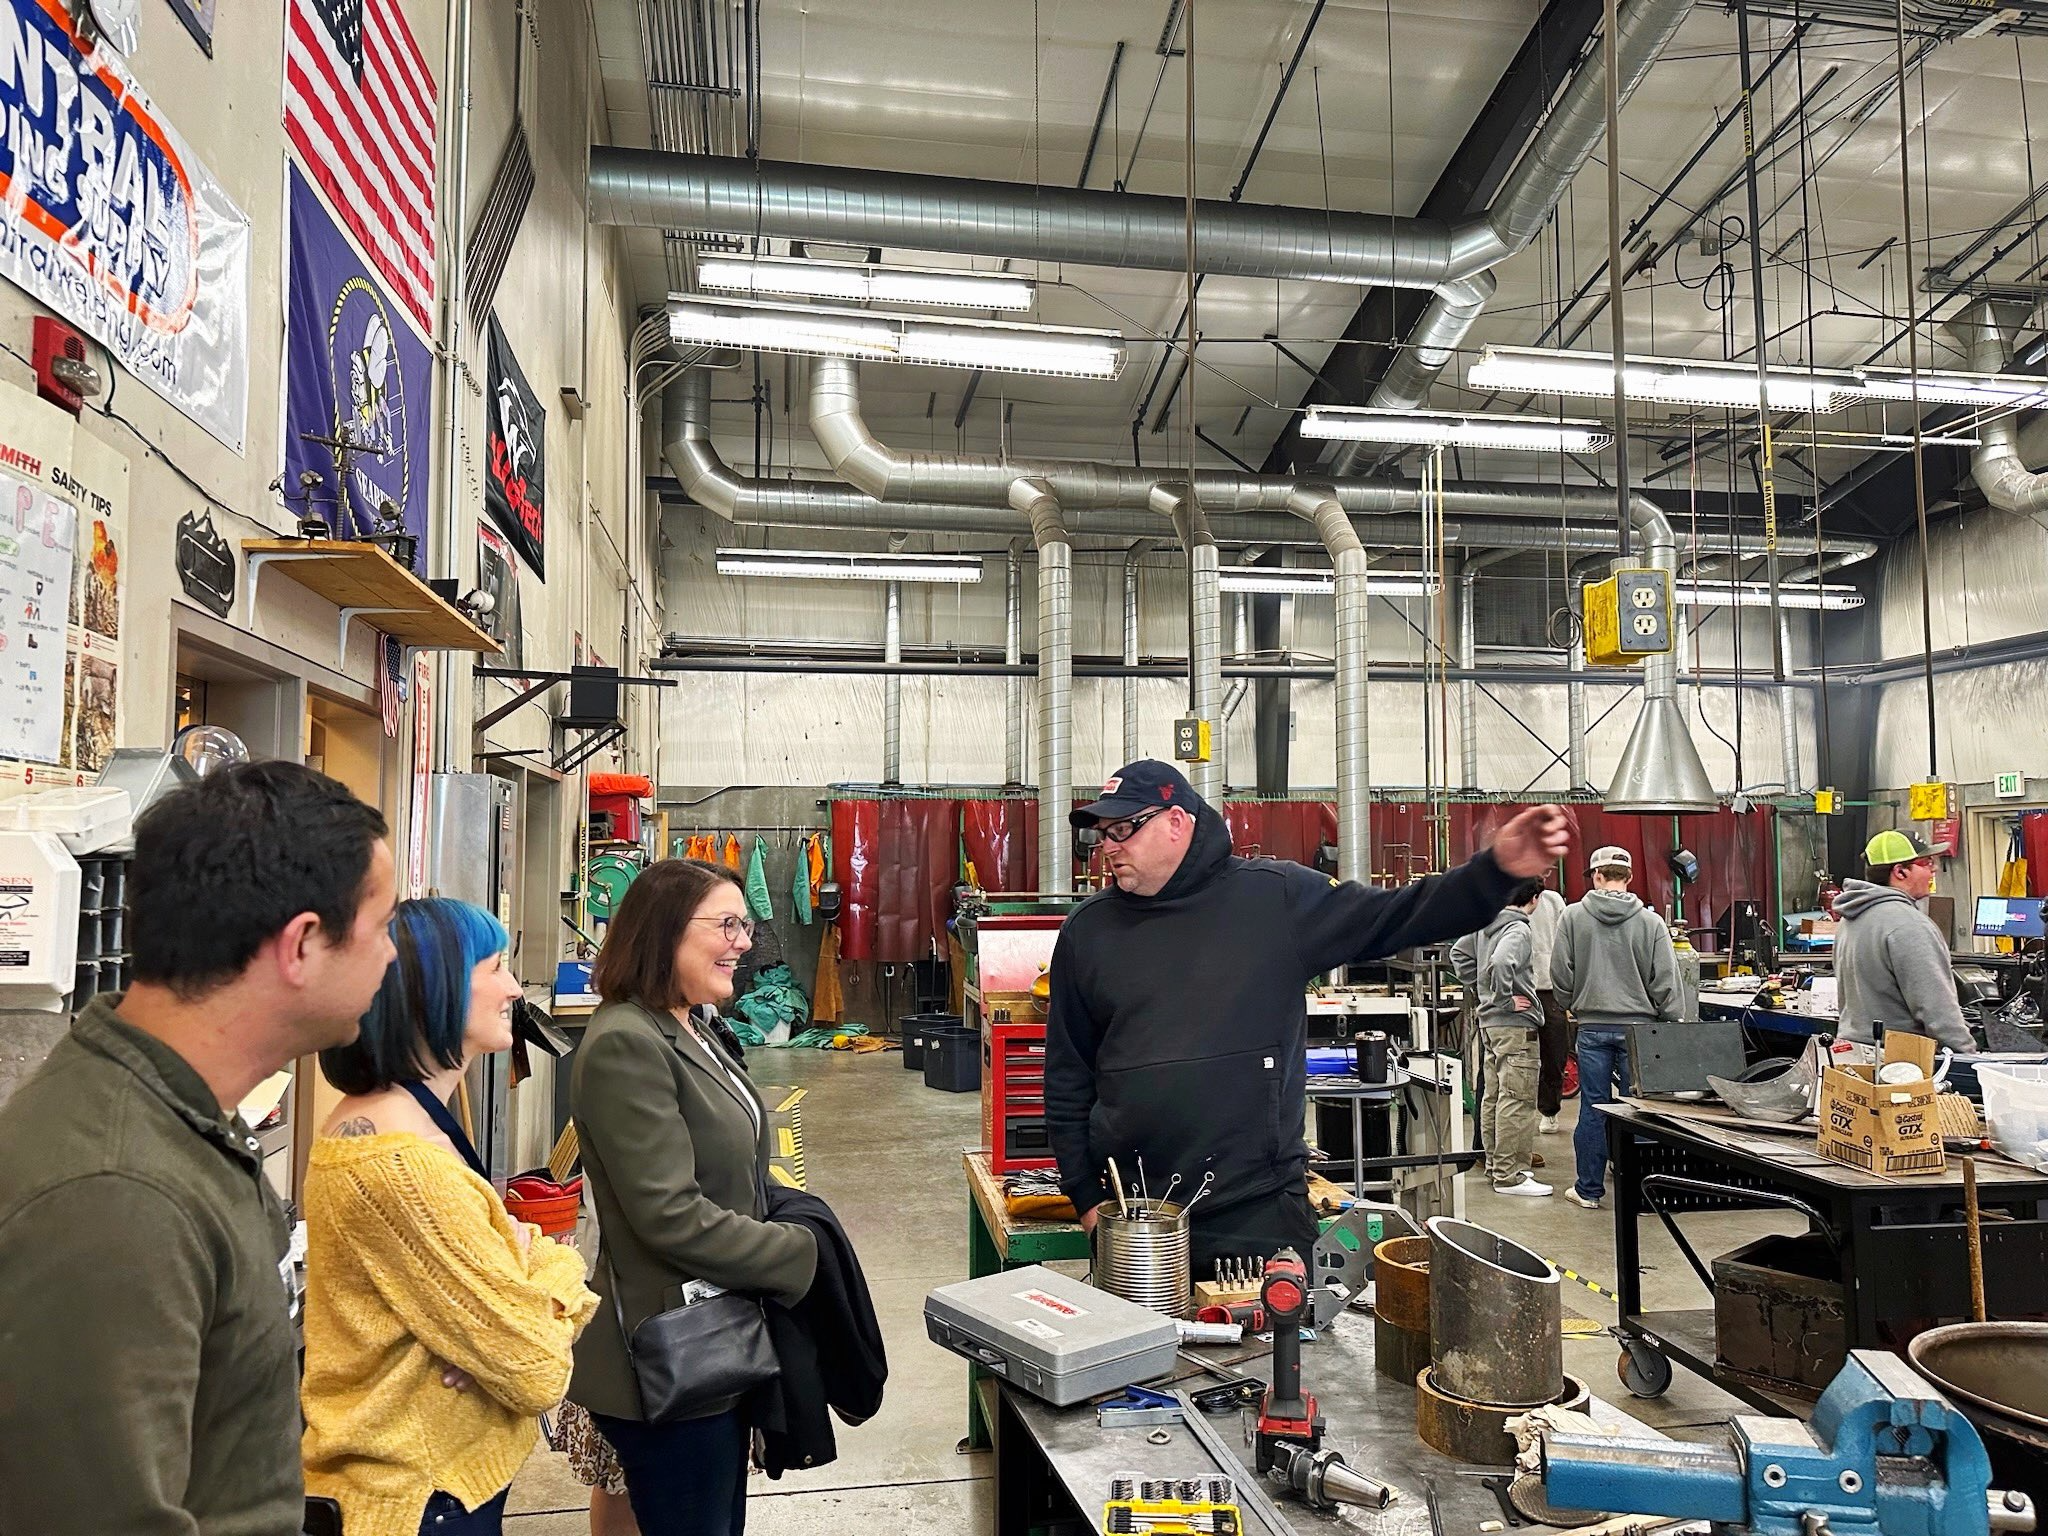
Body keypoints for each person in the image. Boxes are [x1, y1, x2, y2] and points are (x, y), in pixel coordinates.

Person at [0, 762, 397, 1536]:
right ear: (303, 945)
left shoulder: (182, 1118)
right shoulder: (115, 1194)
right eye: (381, 927)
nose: (390, 957)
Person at [1046, 759, 1571, 1271]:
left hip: (1255, 1210)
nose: (1108, 848)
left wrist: (1494, 871)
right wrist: (1087, 1201)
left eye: (1122, 830)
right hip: (1132, 1215)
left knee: (1272, 1359)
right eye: (1102, 835)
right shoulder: (1088, 932)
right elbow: (1068, 1077)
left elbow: (1401, 914)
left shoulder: (1274, 899)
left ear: (1177, 822)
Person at [302, 898, 599, 1536]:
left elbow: (519, 1314)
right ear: (431, 992)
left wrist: (521, 1268)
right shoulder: (402, 1166)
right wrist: (529, 1265)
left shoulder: (404, 1123)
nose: (515, 988)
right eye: (495, 967)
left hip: (440, 1486)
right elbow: (535, 1368)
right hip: (415, 1503)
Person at [569, 859, 819, 1536]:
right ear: (664, 933)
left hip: (718, 1338)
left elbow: (727, 1168)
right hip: (672, 1355)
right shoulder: (627, 1043)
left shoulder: (690, 1026)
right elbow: (668, 1214)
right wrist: (797, 1254)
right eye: (728, 924)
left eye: (747, 923)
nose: (744, 941)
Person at [1549, 846, 1681, 1211]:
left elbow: (1560, 971)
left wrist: (1572, 1003)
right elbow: (1666, 979)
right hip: (1640, 1030)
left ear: (1595, 875)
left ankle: (1589, 1191)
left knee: (1593, 1106)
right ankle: (1637, 1193)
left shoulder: (1573, 917)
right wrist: (1669, 1018)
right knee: (1636, 1108)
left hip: (1592, 1027)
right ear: (1630, 878)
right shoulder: (1651, 922)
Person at [1451, 878, 1552, 1198]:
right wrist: (1505, 998)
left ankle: (1496, 1165)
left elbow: (1459, 954)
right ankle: (1511, 1176)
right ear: (1534, 899)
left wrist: (1482, 992)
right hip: (1514, 1024)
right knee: (1518, 1099)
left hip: (1490, 1025)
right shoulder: (1519, 929)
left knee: (1494, 1096)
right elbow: (1501, 962)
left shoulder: (1485, 923)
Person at [1834, 829, 1973, 1052]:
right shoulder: (1909, 925)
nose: (1934, 869)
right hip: (1902, 1063)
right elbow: (1937, 1009)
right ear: (1900, 872)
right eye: (1926, 862)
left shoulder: (1851, 917)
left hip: (1856, 1054)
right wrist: (1969, 1058)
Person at [1528, 876, 1571, 1133]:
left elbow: (1565, 944)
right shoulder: (1500, 899)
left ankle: (1549, 1110)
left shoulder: (1553, 901)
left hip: (1549, 991)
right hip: (1515, 991)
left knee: (1554, 1054)